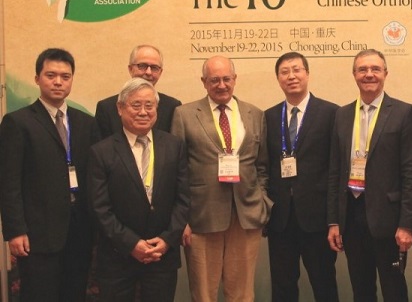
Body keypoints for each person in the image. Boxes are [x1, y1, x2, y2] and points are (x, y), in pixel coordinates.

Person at [0, 48, 99, 302]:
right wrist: (15, 231)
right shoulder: (18, 122)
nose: (58, 82)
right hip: (37, 235)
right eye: (51, 75)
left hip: (79, 230)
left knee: (74, 294)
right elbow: (8, 181)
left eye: (65, 76)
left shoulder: (86, 122)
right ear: (37, 79)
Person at [171, 55, 272, 302]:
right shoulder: (184, 115)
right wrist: (181, 217)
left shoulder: (254, 114)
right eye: (214, 80)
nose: (221, 85)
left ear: (235, 79)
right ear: (204, 82)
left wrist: (263, 202)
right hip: (201, 217)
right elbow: (176, 170)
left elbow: (262, 166)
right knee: (204, 292)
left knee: (242, 292)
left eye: (227, 79)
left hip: (246, 215)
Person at [327, 49, 412, 302]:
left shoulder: (403, 112)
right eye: (363, 69)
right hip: (352, 215)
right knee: (361, 288)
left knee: (393, 288)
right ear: (354, 75)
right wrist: (334, 221)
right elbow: (335, 171)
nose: (369, 74)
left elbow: (410, 171)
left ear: (385, 74)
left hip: (389, 219)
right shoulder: (341, 115)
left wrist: (407, 223)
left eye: (375, 69)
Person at [87, 78, 189, 301]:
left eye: (149, 105)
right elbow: (99, 207)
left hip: (162, 254)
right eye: (136, 105)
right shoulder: (102, 152)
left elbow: (183, 199)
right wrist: (131, 244)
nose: (143, 112)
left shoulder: (174, 146)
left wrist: (167, 240)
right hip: (117, 256)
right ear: (120, 108)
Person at [265, 52, 340, 302]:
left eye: (296, 69)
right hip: (281, 219)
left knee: (324, 284)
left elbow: (335, 170)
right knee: (283, 286)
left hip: (317, 219)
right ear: (278, 79)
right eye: (284, 72)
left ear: (307, 74)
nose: (291, 76)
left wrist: (334, 219)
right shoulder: (269, 116)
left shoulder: (331, 113)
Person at [95, 44, 181, 139]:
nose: (148, 72)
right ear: (130, 69)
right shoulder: (106, 108)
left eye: (154, 68)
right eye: (142, 66)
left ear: (160, 72)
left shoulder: (172, 106)